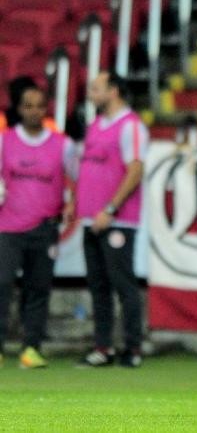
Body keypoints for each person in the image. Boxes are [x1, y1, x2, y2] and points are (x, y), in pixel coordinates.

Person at [75, 71, 149, 368]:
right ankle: (102, 347)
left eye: (96, 88)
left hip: (117, 221)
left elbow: (135, 170)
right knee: (98, 286)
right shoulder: (94, 125)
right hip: (89, 220)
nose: (91, 94)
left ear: (113, 91)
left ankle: (132, 348)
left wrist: (110, 209)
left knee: (123, 284)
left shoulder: (131, 126)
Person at [0, 84, 77, 368]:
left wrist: (72, 204)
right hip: (7, 227)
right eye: (28, 106)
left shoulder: (63, 145)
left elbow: (79, 179)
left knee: (38, 288)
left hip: (45, 228)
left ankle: (31, 348)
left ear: (47, 109)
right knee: (2, 284)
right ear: (19, 109)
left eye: (39, 106)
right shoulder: (4, 141)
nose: (34, 111)